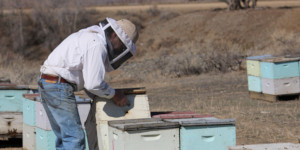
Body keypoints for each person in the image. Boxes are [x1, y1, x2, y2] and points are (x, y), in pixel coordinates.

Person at [38, 17, 138, 150]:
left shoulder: (89, 37)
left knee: (65, 138)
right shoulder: (97, 44)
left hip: (49, 83)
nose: (120, 49)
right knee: (74, 138)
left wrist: (99, 97)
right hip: (58, 86)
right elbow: (93, 84)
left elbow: (86, 82)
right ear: (114, 35)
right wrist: (115, 95)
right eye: (122, 45)